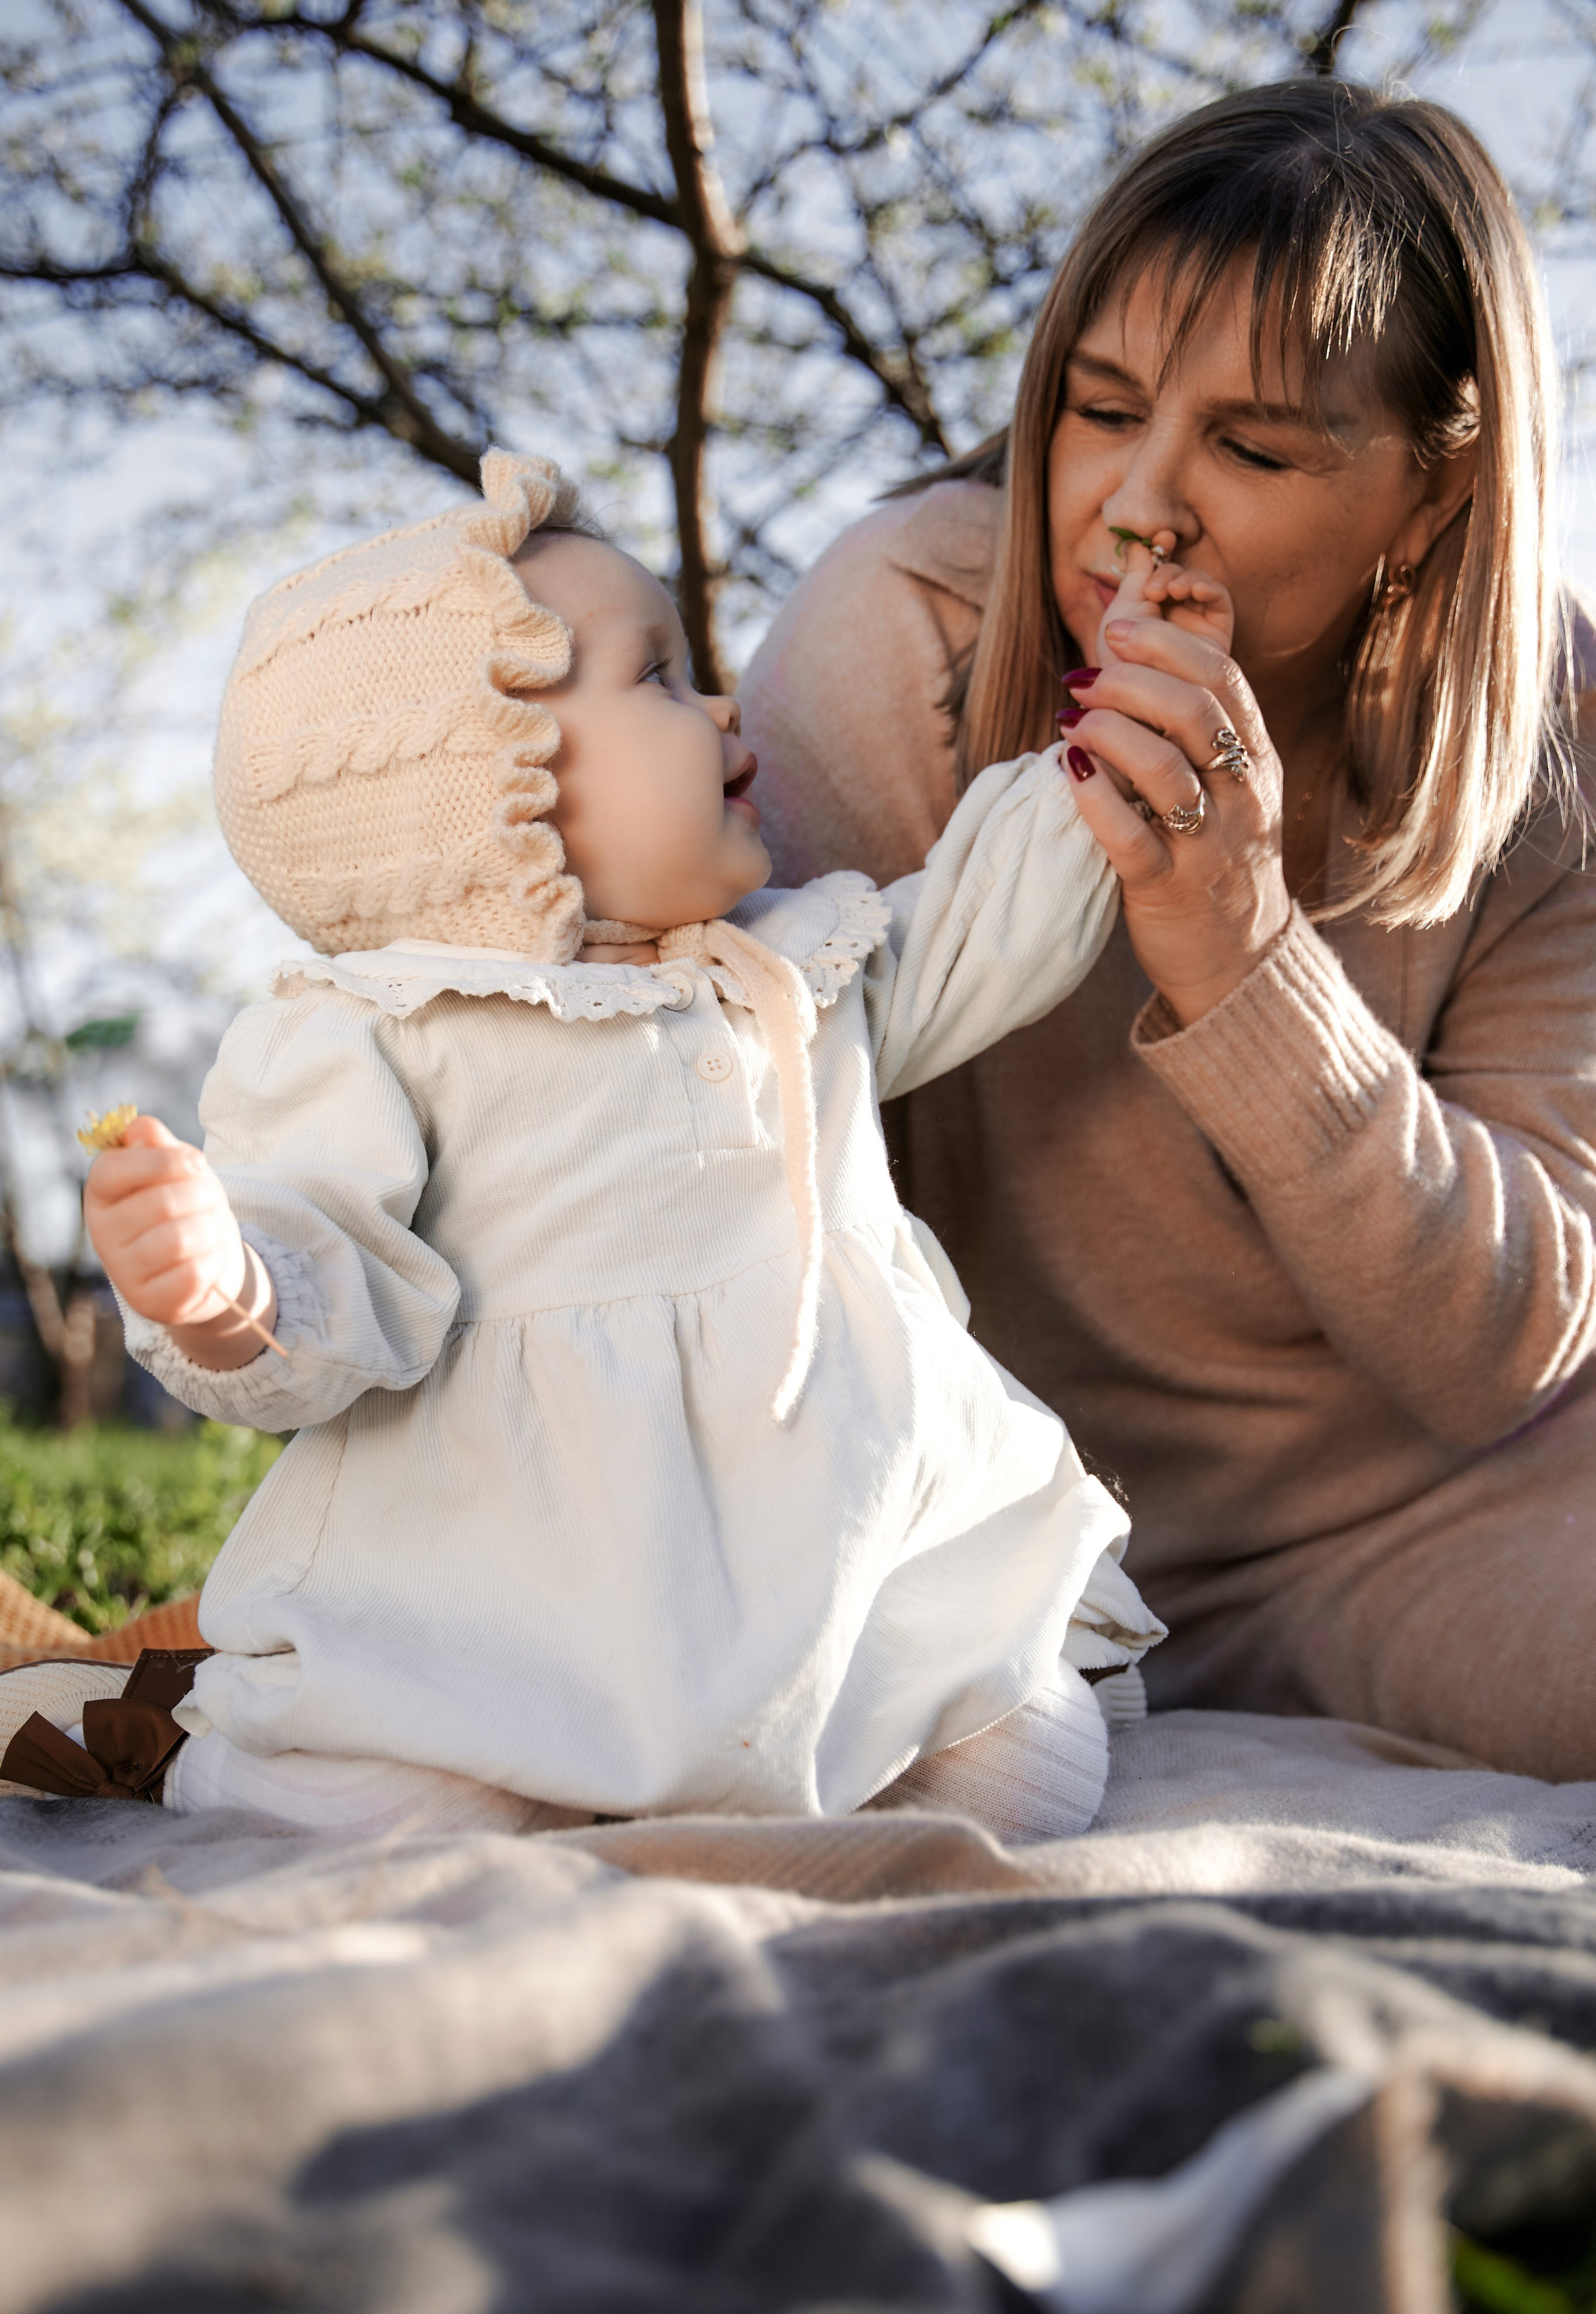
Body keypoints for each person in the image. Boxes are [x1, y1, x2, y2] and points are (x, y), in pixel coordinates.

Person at [0, 450, 1160, 1840]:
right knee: (382, 1796)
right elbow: (326, 1252)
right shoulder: (393, 1029)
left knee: (1031, 1772)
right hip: (511, 1591)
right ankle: (183, 1736)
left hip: (833, 1554)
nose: (722, 703)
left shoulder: (796, 963)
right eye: (659, 676)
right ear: (500, 788)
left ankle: (856, 1726)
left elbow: (986, 918)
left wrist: (1108, 753)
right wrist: (227, 1280)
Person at [743, 77, 1596, 1782]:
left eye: (1257, 448)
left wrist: (1242, 950)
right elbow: (730, 1190)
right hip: (1019, 1549)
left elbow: (1512, 1347)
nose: (1139, 509)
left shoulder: (1548, 727)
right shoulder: (900, 642)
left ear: (1435, 496)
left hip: (1443, 1521)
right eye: (1102, 408)